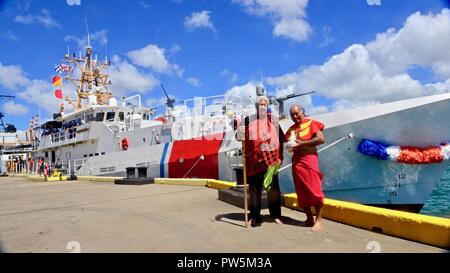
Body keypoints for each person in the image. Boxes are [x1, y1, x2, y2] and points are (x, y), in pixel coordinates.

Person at [236, 96, 285, 227]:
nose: (262, 106)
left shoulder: (274, 121)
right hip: (254, 161)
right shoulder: (248, 120)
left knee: (273, 189)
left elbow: (281, 140)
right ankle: (255, 216)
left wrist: (280, 157)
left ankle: (275, 215)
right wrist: (239, 127)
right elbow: (238, 137)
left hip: (271, 160)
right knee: (254, 190)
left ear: (267, 106)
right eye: (260, 104)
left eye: (264, 104)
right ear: (256, 107)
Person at [285, 104, 325, 231]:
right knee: (301, 191)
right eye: (292, 114)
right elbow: (289, 145)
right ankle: (309, 219)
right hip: (296, 160)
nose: (295, 116)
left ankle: (318, 220)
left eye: (297, 113)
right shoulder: (291, 129)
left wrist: (303, 143)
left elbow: (321, 139)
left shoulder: (311, 123)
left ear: (303, 112)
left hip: (309, 158)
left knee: (315, 189)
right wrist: (290, 147)